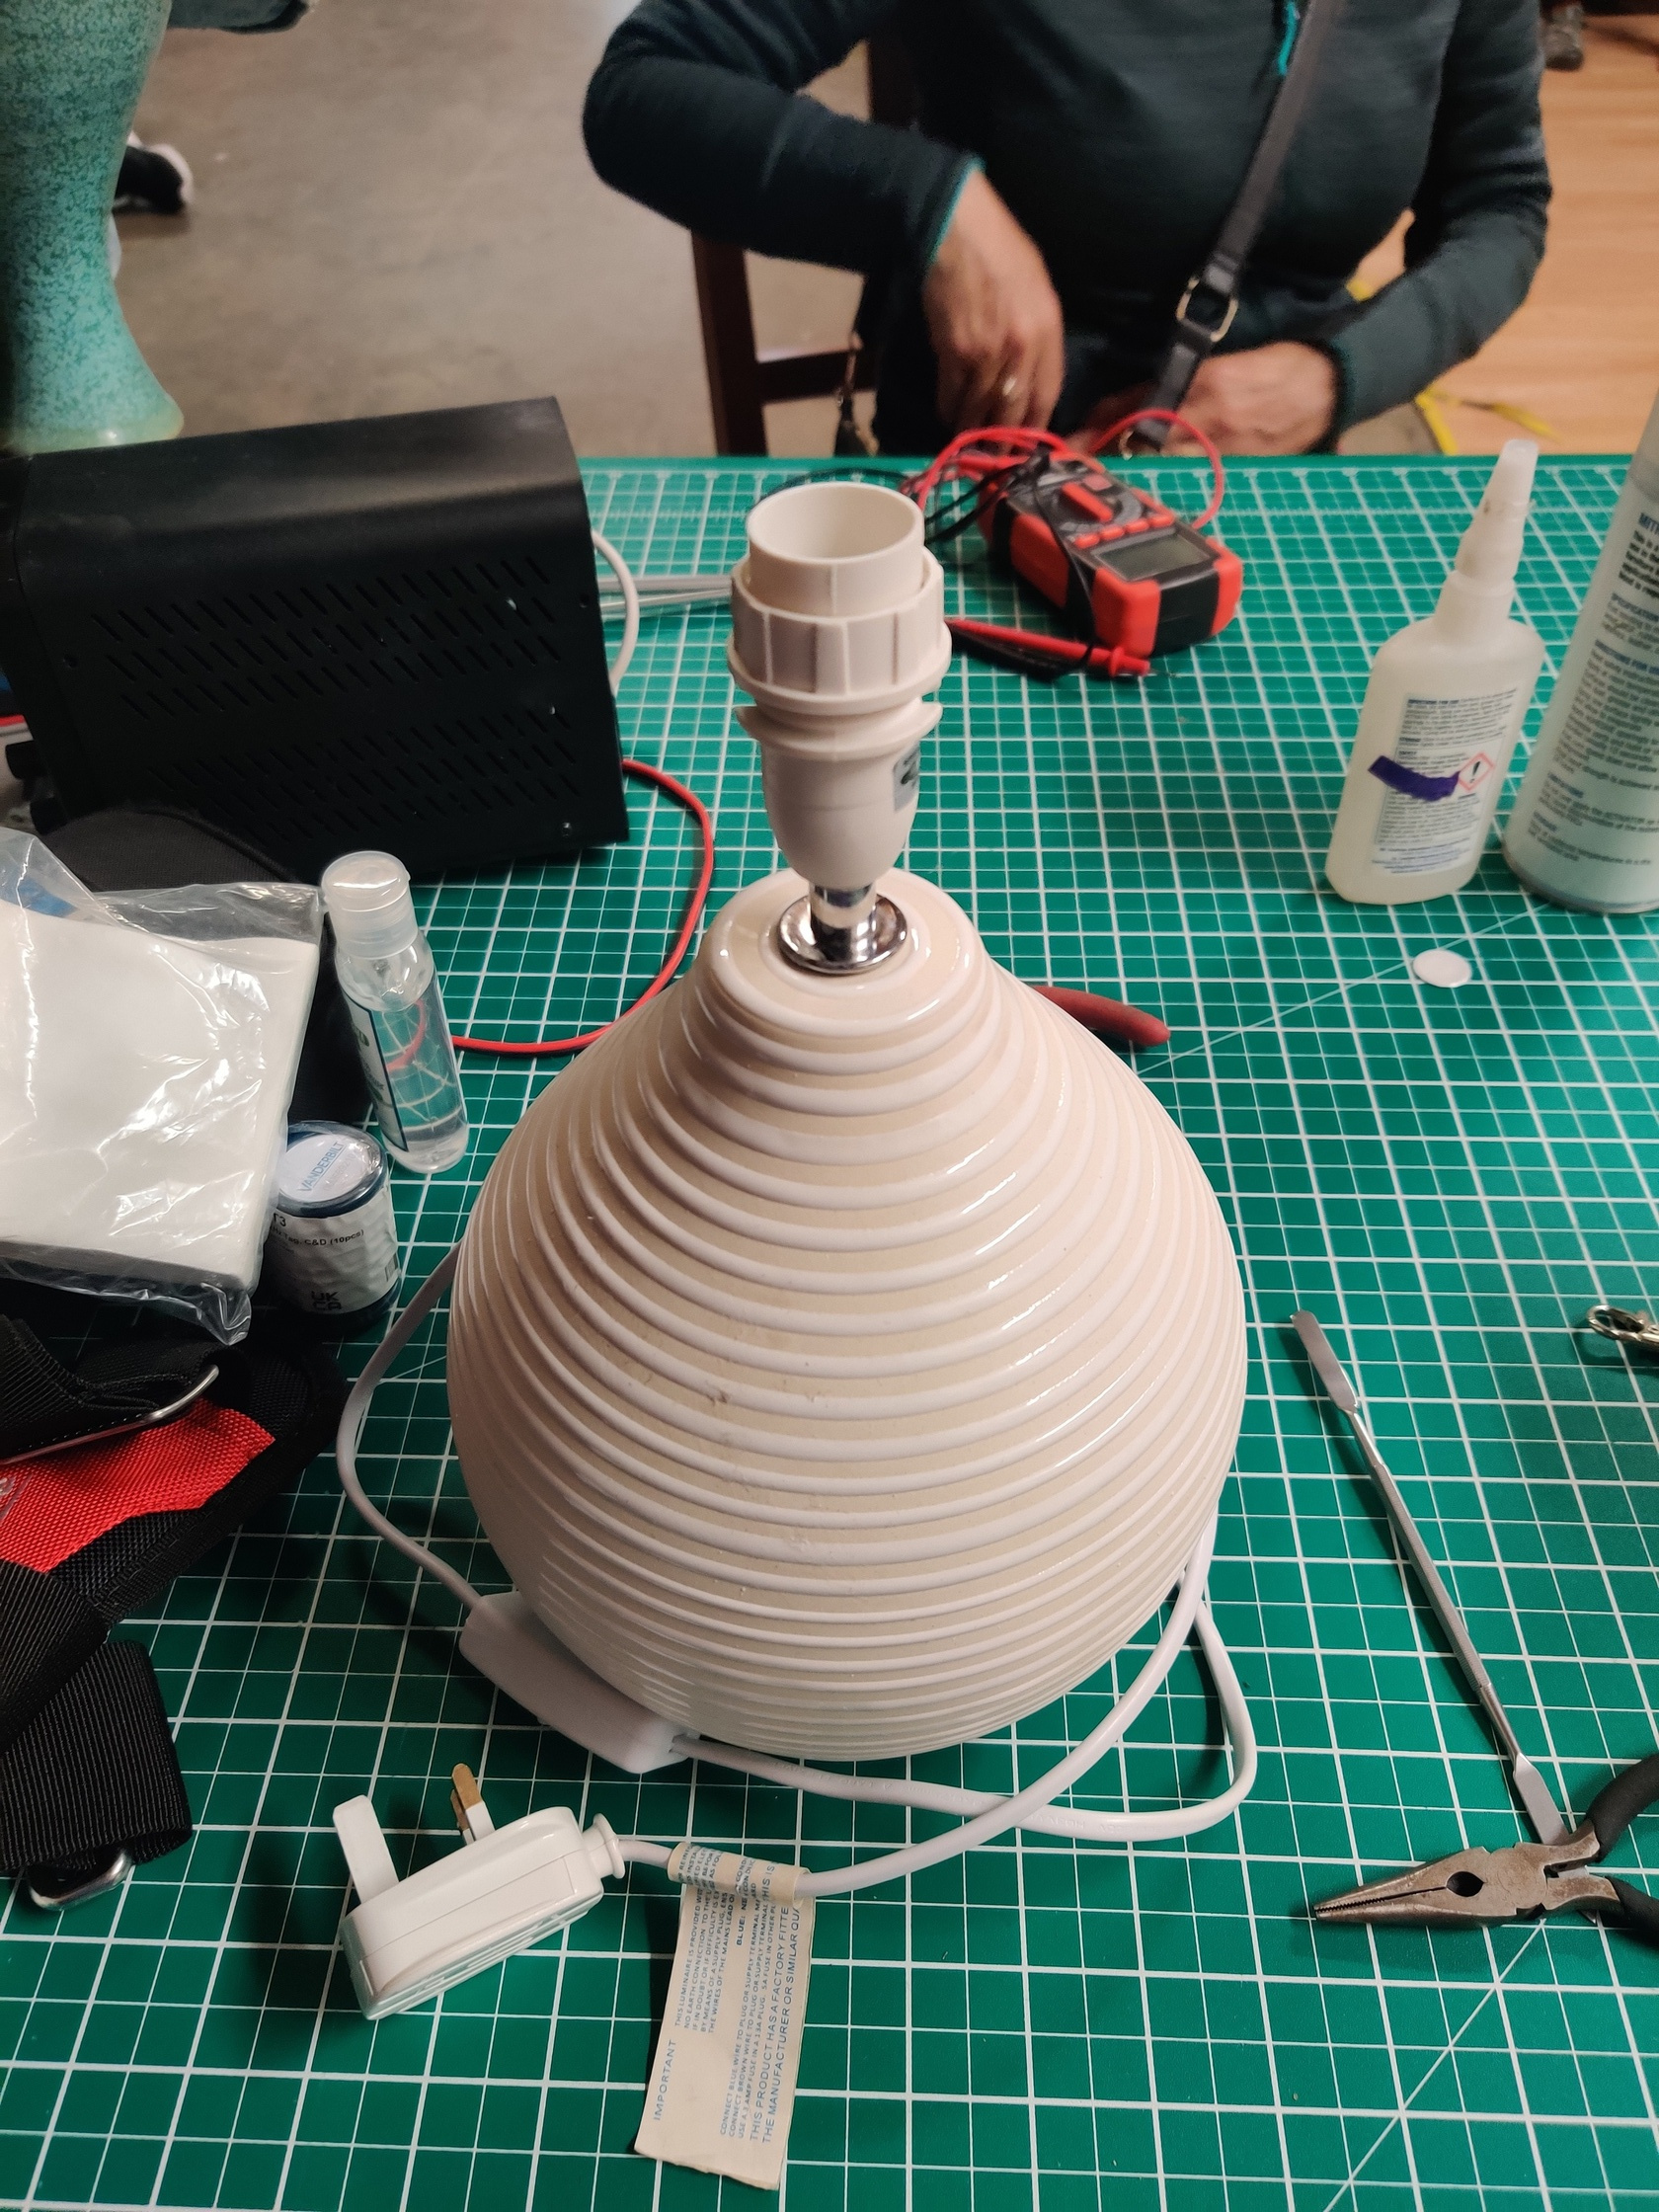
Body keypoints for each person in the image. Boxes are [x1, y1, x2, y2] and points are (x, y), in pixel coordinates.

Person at [584, 0, 1550, 455]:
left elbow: (1500, 204)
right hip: (993, 485)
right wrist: (933, 203)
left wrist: (1335, 378)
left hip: (1287, 474)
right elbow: (645, 88)